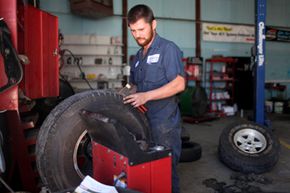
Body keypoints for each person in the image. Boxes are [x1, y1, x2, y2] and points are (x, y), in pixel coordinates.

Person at [124, 4, 185, 193]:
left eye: (141, 29)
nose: (138, 35)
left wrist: (146, 96)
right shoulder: (137, 56)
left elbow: (179, 84)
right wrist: (123, 92)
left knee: (166, 172)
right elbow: (134, 85)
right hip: (142, 123)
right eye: (133, 31)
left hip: (163, 125)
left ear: (154, 24)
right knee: (147, 171)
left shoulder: (168, 49)